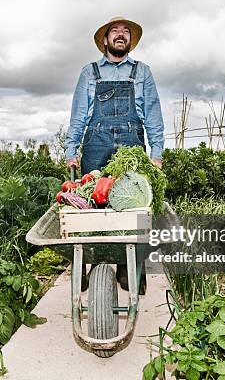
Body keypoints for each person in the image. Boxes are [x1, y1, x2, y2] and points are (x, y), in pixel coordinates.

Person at [64, 17, 165, 293]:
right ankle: (84, 263)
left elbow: (153, 115)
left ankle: (126, 267)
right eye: (115, 31)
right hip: (96, 141)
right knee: (86, 202)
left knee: (132, 205)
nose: (121, 35)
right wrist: (71, 150)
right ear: (105, 40)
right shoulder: (90, 72)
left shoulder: (142, 72)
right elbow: (78, 115)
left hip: (132, 143)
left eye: (126, 32)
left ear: (130, 41)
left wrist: (156, 154)